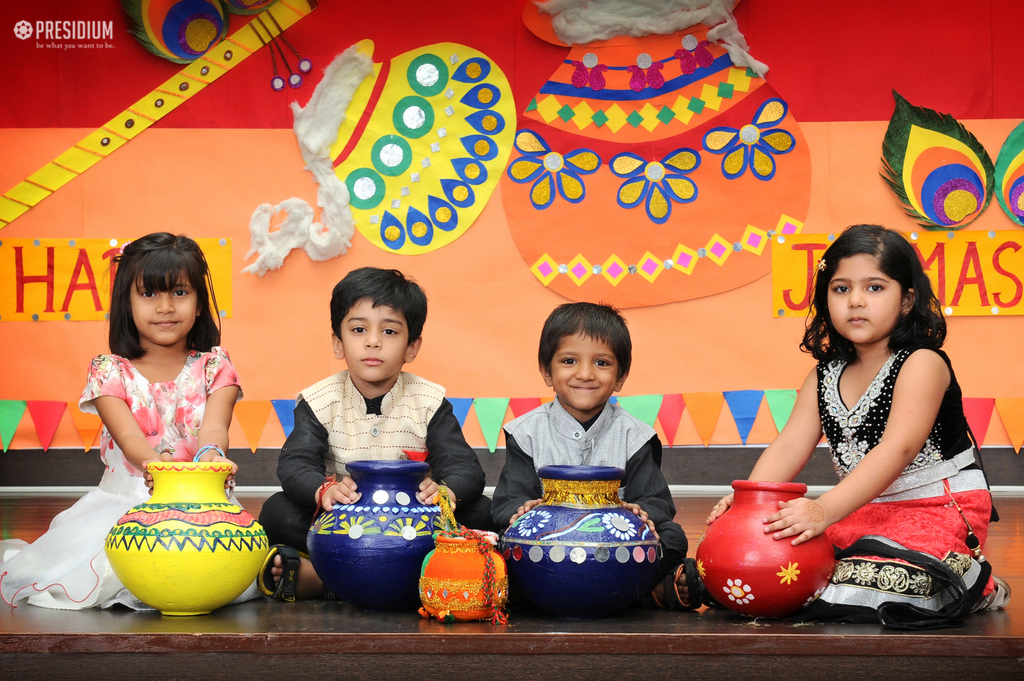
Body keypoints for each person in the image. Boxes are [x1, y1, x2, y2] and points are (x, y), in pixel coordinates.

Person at [706, 224, 1008, 626]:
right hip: (859, 509)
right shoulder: (823, 375)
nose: (856, 302)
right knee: (754, 569)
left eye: (875, 288)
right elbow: (787, 447)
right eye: (841, 289)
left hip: (936, 509)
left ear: (906, 300)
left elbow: (896, 449)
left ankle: (974, 584)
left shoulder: (922, 364)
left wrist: (823, 510)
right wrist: (750, 505)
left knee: (882, 583)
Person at [0, 232, 247, 610]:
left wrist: (212, 454)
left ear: (199, 304)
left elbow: (215, 426)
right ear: (126, 304)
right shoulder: (109, 372)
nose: (165, 306)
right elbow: (129, 436)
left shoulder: (215, 366)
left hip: (201, 505)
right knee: (118, 569)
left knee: (224, 573)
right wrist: (154, 466)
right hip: (128, 504)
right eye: (149, 294)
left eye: (179, 293)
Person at [258, 267, 489, 601]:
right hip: (345, 518)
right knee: (277, 512)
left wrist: (446, 492)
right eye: (358, 329)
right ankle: (348, 579)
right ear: (338, 343)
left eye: (390, 331)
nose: (373, 341)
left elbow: (464, 465)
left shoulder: (429, 400)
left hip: (411, 523)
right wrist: (326, 491)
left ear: (412, 347)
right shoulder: (319, 400)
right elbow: (295, 464)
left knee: (480, 511)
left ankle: (327, 583)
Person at [491, 302, 694, 610]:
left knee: (672, 537)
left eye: (601, 363)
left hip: (613, 547)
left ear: (621, 377)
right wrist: (523, 510)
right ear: (547, 371)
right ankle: (642, 595)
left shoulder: (634, 435)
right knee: (494, 537)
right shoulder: (526, 431)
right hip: (548, 546)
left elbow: (658, 501)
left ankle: (631, 591)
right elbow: (507, 500)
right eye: (570, 360)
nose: (585, 374)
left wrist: (637, 512)